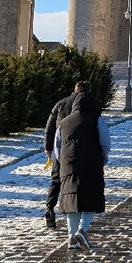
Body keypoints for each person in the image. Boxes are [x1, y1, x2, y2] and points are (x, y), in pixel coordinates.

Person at [55, 83, 110, 250]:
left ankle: (71, 238)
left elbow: (57, 147)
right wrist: (103, 158)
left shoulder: (64, 122)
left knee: (72, 199)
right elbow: (105, 142)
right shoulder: (97, 119)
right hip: (91, 162)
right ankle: (82, 230)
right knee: (90, 197)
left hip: (68, 164)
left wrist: (63, 161)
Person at [44, 81, 86, 229]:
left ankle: (50, 208)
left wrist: (48, 147)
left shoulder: (61, 103)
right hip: (78, 149)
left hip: (59, 148)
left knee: (56, 181)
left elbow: (50, 126)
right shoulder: (87, 106)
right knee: (77, 180)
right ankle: (76, 213)